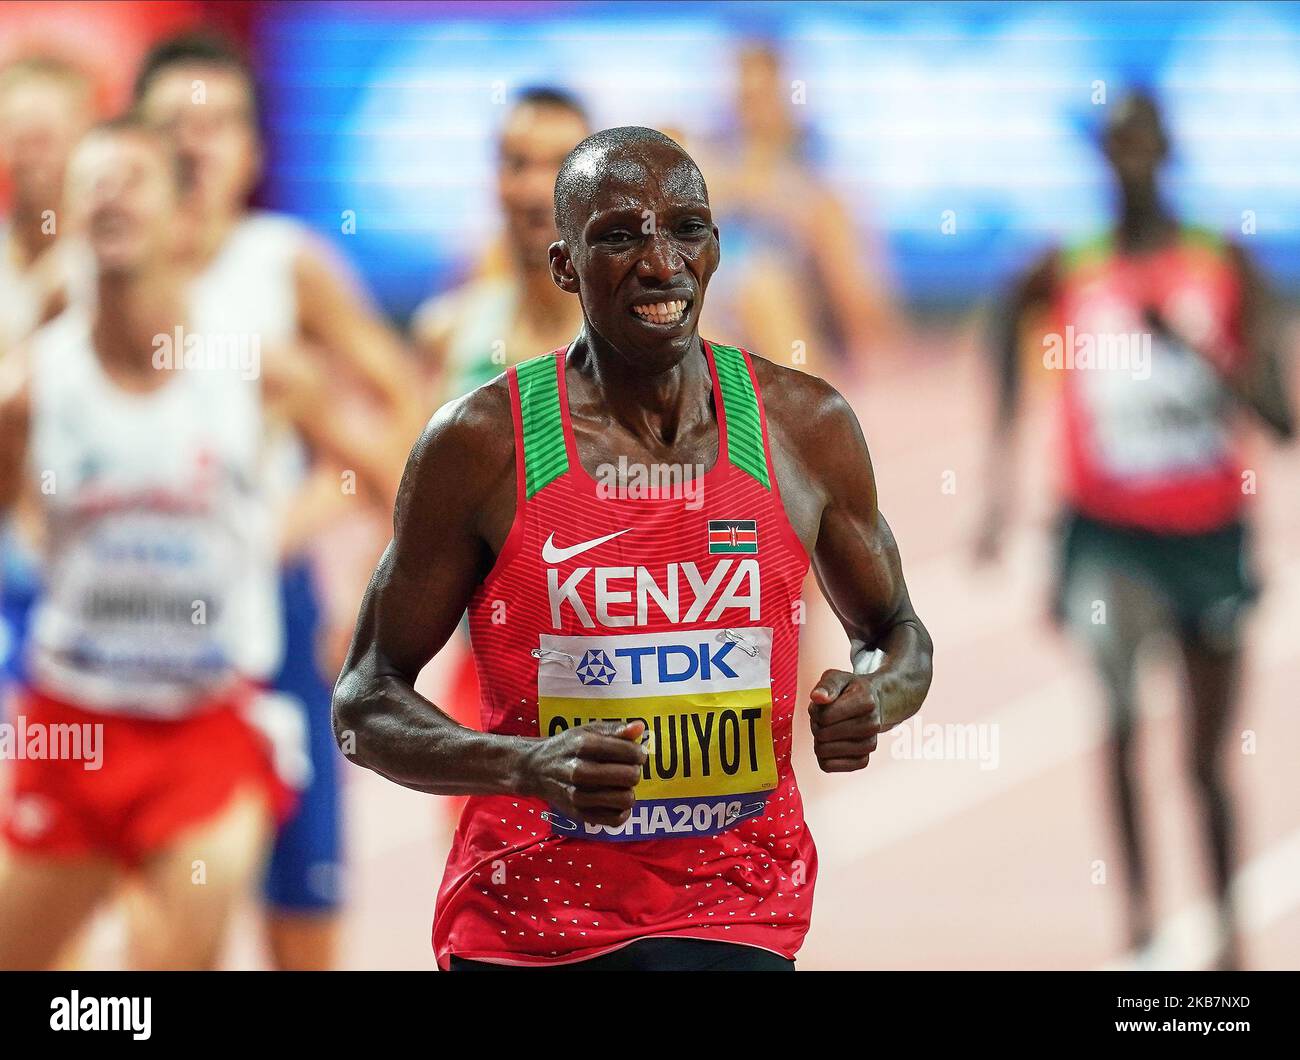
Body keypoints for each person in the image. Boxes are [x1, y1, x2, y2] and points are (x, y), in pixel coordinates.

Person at [333, 126, 933, 970]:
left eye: (686, 229)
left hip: (735, 913)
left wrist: (878, 694)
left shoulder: (805, 427)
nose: (660, 263)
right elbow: (364, 700)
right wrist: (525, 766)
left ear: (715, 248)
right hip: (529, 927)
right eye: (620, 236)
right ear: (564, 268)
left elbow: (897, 630)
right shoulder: (482, 445)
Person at [0, 118, 392, 969]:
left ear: (185, 220)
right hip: (72, 719)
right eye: (88, 181)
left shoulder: (254, 368)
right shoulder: (30, 388)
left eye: (131, 178)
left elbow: (387, 472)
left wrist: (281, 544)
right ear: (63, 217)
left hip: (205, 727)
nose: (107, 194)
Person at [976, 92, 1295, 970]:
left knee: (1204, 759)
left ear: (1169, 152)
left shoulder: (1223, 263)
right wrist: (1000, 472)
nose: (1130, 165)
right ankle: (1144, 918)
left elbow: (1280, 416)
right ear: (1102, 159)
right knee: (1116, 721)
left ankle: (1229, 929)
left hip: (1207, 535)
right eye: (1115, 149)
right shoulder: (1073, 265)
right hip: (1104, 535)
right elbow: (1005, 317)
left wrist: (1193, 351)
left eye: (1144, 147)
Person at [130, 32, 417, 969]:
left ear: (253, 152)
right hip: (143, 630)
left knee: (301, 916)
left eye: (215, 126)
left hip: (271, 617)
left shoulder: (280, 263)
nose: (193, 146)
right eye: (172, 125)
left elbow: (406, 427)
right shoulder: (107, 278)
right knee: (171, 921)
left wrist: (310, 530)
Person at [0, 55, 96, 697]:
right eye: (19, 135)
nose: (33, 154)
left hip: (89, 548)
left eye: (49, 136)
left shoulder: (114, 273)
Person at [413, 86, 589, 402]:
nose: (537, 190)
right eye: (518, 164)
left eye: (562, 165)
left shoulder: (636, 341)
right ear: (495, 179)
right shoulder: (447, 335)